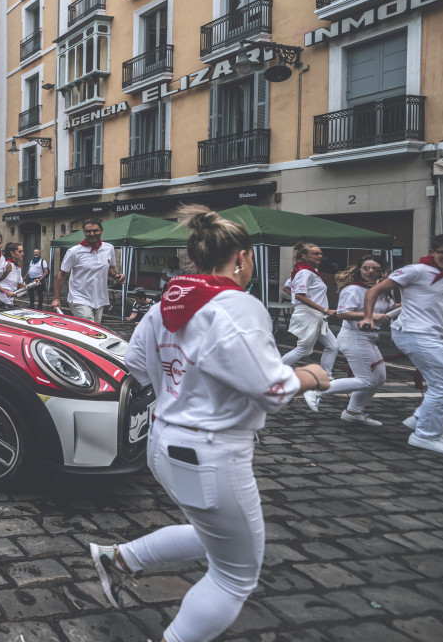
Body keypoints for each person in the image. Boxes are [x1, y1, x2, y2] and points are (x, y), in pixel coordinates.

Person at [89, 205, 329, 642]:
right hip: (211, 451)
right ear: (242, 257)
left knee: (211, 533)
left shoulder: (167, 303)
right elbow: (273, 391)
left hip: (164, 443)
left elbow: (136, 366)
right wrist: (312, 375)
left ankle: (120, 559)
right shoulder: (237, 306)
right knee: (234, 576)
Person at [360, 236, 443, 454]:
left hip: (434, 334)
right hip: (415, 333)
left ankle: (418, 419)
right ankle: (426, 435)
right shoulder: (416, 270)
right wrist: (369, 317)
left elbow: (429, 305)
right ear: (432, 251)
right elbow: (374, 291)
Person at [303, 255, 396, 425]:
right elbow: (342, 313)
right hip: (354, 337)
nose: (369, 272)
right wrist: (371, 315)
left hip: (370, 338)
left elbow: (390, 307)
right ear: (360, 269)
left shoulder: (381, 291)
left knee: (378, 379)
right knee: (367, 379)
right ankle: (317, 391)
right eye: (366, 268)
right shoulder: (353, 289)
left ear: (382, 271)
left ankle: (353, 412)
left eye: (375, 268)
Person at [280, 242, 338, 373]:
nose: (320, 256)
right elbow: (300, 296)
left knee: (333, 346)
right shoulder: (305, 272)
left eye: (321, 253)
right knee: (304, 349)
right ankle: (274, 372)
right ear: (304, 256)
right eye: (316, 253)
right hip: (310, 315)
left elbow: (287, 287)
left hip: (316, 316)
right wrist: (324, 310)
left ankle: (326, 377)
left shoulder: (308, 271)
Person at [51, 219, 124, 323]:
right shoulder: (74, 252)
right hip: (79, 298)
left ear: (101, 231)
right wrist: (56, 298)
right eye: (88, 231)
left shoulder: (109, 248)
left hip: (100, 298)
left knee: (94, 332)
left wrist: (116, 275)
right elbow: (62, 274)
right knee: (89, 328)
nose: (92, 234)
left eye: (95, 230)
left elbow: (109, 267)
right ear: (84, 232)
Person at [0, 242, 23, 306]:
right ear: (12, 253)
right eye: (20, 252)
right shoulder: (5, 264)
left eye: (22, 251)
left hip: (11, 297)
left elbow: (20, 285)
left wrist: (33, 284)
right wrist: (6, 292)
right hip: (2, 297)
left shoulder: (18, 267)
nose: (23, 254)